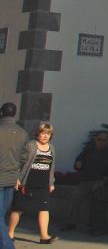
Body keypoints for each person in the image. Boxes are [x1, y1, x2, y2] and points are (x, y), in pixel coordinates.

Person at [8, 122, 57, 245]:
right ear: (38, 134)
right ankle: (10, 233)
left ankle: (44, 236)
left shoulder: (51, 148)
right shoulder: (31, 145)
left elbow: (52, 166)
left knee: (44, 208)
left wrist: (51, 182)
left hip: (43, 183)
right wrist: (16, 178)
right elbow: (20, 161)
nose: (46, 136)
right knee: (19, 208)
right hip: (27, 182)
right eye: (43, 133)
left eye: (48, 134)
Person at [61, 130, 108, 231]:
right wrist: (78, 165)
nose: (102, 142)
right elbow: (78, 163)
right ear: (95, 139)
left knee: (96, 197)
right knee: (76, 196)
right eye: (100, 139)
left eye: (104, 140)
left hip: (100, 181)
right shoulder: (88, 151)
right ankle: (71, 223)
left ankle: (94, 224)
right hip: (85, 181)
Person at [0, 103, 27, 249]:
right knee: (2, 215)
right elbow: (24, 157)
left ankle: (7, 246)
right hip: (11, 178)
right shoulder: (22, 133)